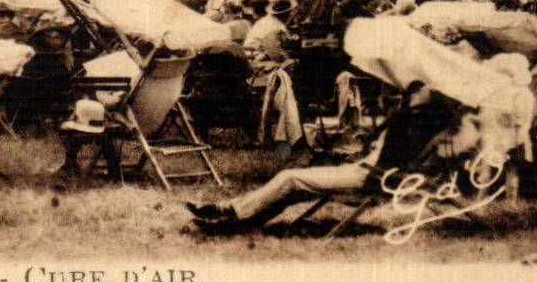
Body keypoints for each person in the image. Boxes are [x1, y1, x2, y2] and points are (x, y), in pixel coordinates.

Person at [188, 83, 473, 231]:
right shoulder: (416, 118)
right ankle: (235, 216)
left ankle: (230, 213)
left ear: (433, 97)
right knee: (292, 187)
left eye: (420, 88)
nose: (414, 89)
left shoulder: (420, 121)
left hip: (371, 178)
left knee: (290, 178)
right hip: (365, 170)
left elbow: (401, 156)